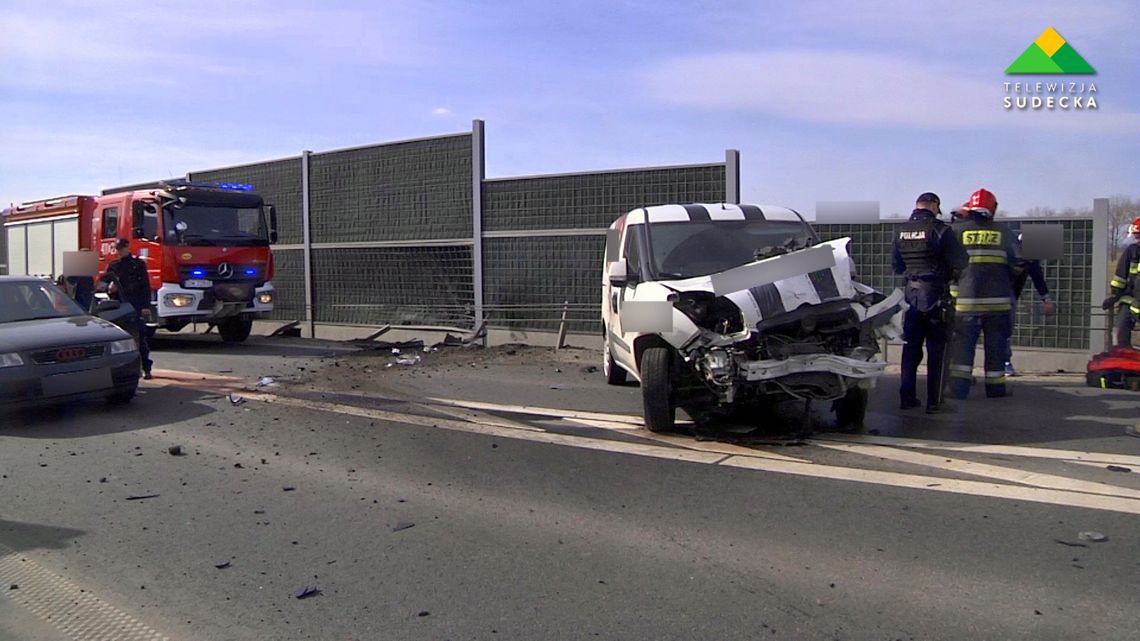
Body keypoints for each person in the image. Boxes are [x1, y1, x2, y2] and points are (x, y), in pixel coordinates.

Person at [891, 192, 968, 413]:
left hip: (911, 296)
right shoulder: (941, 230)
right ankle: (934, 402)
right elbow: (961, 261)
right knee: (938, 351)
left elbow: (896, 266)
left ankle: (907, 398)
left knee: (911, 349)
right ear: (934, 206)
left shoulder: (901, 231)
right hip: (935, 296)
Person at [947, 188, 1019, 400]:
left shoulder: (956, 231)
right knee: (996, 348)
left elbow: (947, 266)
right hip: (998, 306)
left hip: (965, 304)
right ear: (993, 209)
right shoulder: (1004, 232)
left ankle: (959, 390)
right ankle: (996, 389)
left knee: (963, 348)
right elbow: (1019, 263)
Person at [100, 239, 154, 379]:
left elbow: (145, 287)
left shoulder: (138, 264)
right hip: (118, 305)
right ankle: (123, 369)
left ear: (128, 248)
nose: (120, 251)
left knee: (140, 336)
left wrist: (145, 306)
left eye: (122, 248)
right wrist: (109, 287)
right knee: (120, 337)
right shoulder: (113, 266)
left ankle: (146, 368)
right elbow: (101, 284)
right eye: (118, 248)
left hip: (135, 304)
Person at [1006, 233, 1056, 375]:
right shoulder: (1008, 253)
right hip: (999, 292)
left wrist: (1046, 299)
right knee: (1002, 329)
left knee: (1004, 329)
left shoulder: (1030, 260)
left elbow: (1038, 278)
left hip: (1007, 294)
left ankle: (1004, 363)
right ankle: (1003, 364)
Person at [1104, 217, 1140, 348]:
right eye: (1136, 236)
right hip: (1130, 300)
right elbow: (1120, 277)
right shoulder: (1132, 250)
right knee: (1119, 333)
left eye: (1139, 236)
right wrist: (1114, 296)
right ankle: (1122, 361)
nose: (1138, 239)